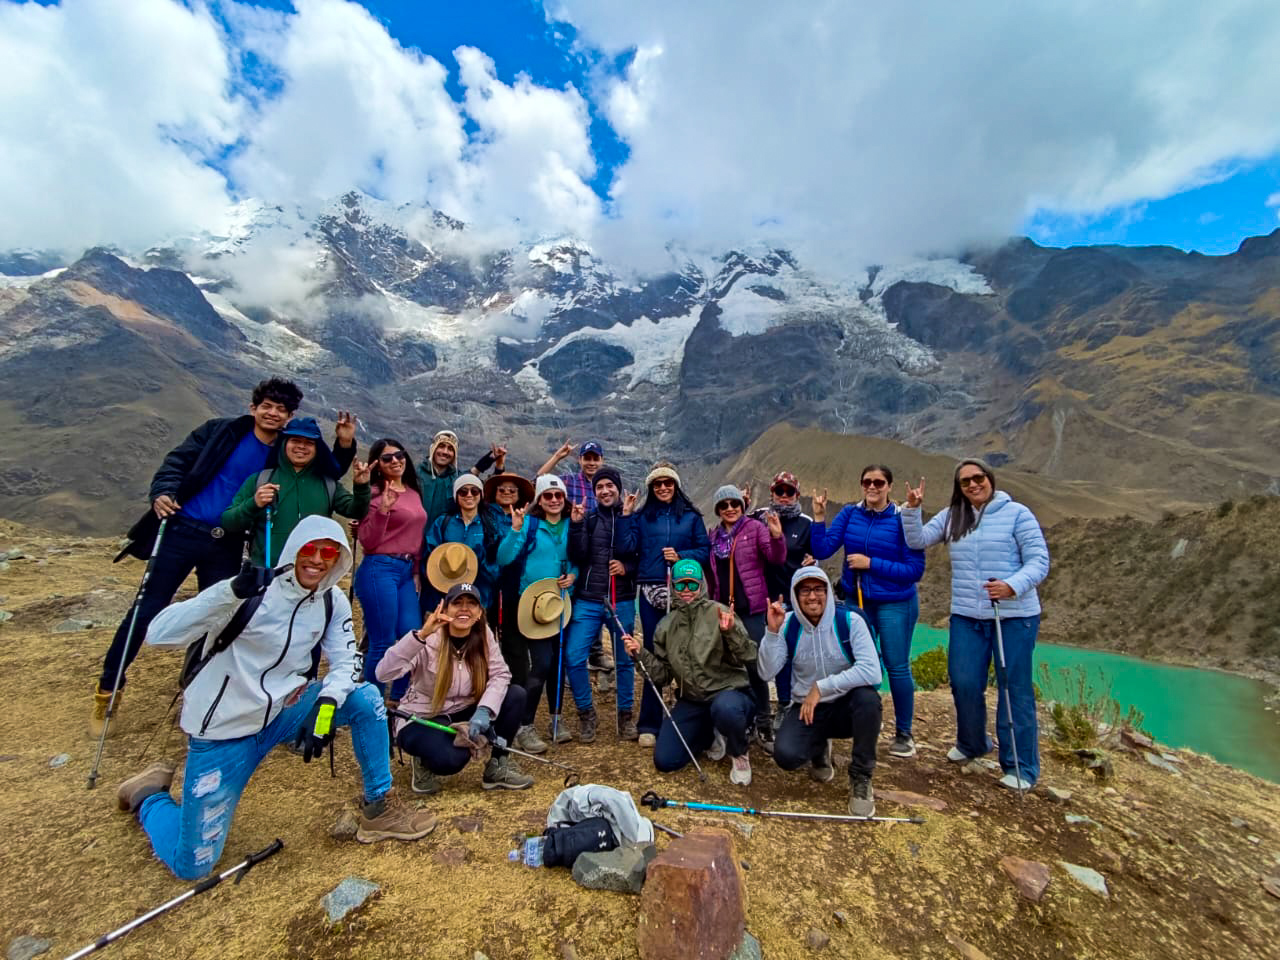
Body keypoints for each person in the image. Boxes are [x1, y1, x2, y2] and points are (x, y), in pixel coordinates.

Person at [114, 516, 435, 881]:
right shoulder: (248, 590)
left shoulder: (331, 602)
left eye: (329, 553)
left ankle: (379, 805)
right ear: (294, 550)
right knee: (193, 864)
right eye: (309, 549)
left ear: (339, 559)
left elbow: (347, 661)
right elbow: (159, 633)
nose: (317, 559)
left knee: (365, 698)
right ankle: (149, 797)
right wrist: (229, 592)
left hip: (284, 711)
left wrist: (327, 705)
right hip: (223, 732)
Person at [91, 378, 340, 735]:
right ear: (254, 407)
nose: (273, 413)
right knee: (146, 610)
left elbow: (325, 470)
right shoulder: (221, 432)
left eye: (281, 409)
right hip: (182, 530)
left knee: (216, 615)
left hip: (227, 542)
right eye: (267, 406)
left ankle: (194, 687)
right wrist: (163, 491)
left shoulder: (282, 451)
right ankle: (108, 691)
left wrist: (345, 443)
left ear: (289, 416)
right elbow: (178, 461)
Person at [901, 460, 1050, 791]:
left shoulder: (1018, 514)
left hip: (1014, 615)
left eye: (977, 477)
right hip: (968, 614)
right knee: (964, 681)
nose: (972, 484)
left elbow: (1039, 561)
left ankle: (1021, 766)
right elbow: (917, 540)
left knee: (1014, 688)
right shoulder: (953, 516)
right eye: (965, 481)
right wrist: (912, 509)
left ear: (990, 479)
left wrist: (1012, 585)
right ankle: (972, 743)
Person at [810, 465, 925, 758]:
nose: (872, 487)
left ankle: (904, 733)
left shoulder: (902, 519)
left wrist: (870, 563)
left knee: (896, 665)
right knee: (855, 663)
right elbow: (822, 550)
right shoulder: (849, 514)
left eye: (879, 482)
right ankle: (864, 718)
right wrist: (819, 518)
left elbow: (915, 570)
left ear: (889, 486)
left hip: (895, 602)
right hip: (857, 600)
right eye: (867, 482)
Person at [376, 583, 533, 795]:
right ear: (445, 609)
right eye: (457, 603)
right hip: (425, 716)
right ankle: (422, 762)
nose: (464, 609)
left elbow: (501, 674)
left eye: (471, 604)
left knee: (516, 695)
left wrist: (485, 709)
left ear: (479, 613)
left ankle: (497, 766)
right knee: (452, 759)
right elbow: (383, 673)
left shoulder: (484, 635)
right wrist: (421, 636)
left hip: (466, 709)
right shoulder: (428, 637)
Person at [758, 567, 883, 816]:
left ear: (827, 592)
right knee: (786, 756)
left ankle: (861, 776)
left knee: (868, 701)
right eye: (805, 590)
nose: (812, 596)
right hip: (808, 708)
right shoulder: (788, 624)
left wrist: (821, 687)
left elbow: (872, 672)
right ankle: (818, 748)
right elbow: (765, 672)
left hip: (846, 705)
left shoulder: (850, 621)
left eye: (818, 589)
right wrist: (771, 633)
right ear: (795, 595)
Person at [621, 559, 757, 785]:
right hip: (693, 700)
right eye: (680, 584)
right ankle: (708, 734)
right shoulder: (666, 625)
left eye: (692, 584)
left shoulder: (720, 612)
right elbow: (663, 676)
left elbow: (750, 656)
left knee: (726, 709)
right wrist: (640, 655)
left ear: (701, 585)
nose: (686, 590)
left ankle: (739, 752)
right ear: (672, 586)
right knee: (665, 760)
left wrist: (731, 633)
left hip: (729, 694)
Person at [615, 462, 710, 747]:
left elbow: (704, 551)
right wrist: (626, 515)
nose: (663, 488)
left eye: (668, 483)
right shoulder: (643, 517)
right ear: (651, 488)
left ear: (675, 486)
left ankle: (688, 717)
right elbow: (626, 547)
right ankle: (649, 723)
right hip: (650, 590)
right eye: (657, 484)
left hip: (683, 592)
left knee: (687, 652)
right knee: (654, 652)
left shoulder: (692, 517)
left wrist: (681, 556)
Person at [220, 416, 372, 566]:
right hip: (266, 572)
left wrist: (361, 487)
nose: (301, 446)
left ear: (317, 449)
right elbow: (229, 522)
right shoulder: (260, 480)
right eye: (295, 441)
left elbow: (356, 511)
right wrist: (254, 503)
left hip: (312, 570)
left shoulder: (328, 484)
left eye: (309, 443)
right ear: (284, 444)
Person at [496, 474, 578, 752]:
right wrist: (515, 530)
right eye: (547, 496)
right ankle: (524, 725)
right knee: (542, 663)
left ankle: (556, 718)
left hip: (561, 602)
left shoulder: (572, 524)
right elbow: (504, 558)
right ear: (539, 501)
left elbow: (579, 559)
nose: (554, 500)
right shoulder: (529, 525)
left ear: (564, 498)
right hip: (532, 604)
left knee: (558, 663)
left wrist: (574, 575)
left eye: (558, 495)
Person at [706, 484, 786, 751]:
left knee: (755, 667)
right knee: (728, 665)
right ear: (718, 509)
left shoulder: (755, 529)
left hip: (751, 609)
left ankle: (763, 723)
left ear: (742, 506)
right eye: (724, 505)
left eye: (734, 504)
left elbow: (776, 558)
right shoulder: (714, 536)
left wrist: (777, 536)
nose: (730, 508)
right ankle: (743, 719)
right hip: (725, 610)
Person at [564, 466, 639, 743]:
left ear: (618, 488)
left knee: (625, 659)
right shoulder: (588, 518)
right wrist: (575, 525)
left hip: (622, 599)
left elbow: (639, 554)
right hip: (589, 599)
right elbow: (578, 555)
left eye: (609, 486)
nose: (605, 491)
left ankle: (625, 714)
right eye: (599, 487)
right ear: (594, 491)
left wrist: (627, 568)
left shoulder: (633, 518)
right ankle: (586, 713)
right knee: (574, 657)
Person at [355, 438, 427, 703]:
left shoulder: (413, 491)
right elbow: (368, 541)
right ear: (378, 464)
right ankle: (371, 703)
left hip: (406, 571)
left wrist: (416, 570)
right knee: (382, 640)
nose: (395, 461)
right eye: (387, 458)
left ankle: (398, 702)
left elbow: (416, 535)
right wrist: (383, 510)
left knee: (411, 639)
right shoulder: (374, 494)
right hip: (379, 567)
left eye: (399, 455)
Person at [484, 472, 536, 686]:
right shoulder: (484, 514)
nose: (507, 493)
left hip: (515, 586)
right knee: (485, 638)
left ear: (519, 494)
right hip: (486, 584)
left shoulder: (529, 520)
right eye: (502, 489)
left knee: (514, 641)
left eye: (512, 490)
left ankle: (517, 689)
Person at [422, 474, 502, 611]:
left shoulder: (491, 526)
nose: (469, 495)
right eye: (463, 491)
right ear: (456, 496)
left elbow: (496, 562)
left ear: (481, 495)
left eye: (474, 491)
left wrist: (480, 566)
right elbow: (429, 556)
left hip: (479, 592)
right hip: (443, 593)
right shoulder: (443, 522)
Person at [416, 430, 505, 535]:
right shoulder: (415, 475)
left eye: (450, 449)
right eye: (441, 446)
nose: (445, 452)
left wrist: (495, 461)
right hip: (413, 536)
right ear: (433, 448)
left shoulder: (457, 480)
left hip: (444, 538)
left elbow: (479, 476)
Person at [537, 439, 606, 513]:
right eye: (587, 459)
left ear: (602, 461)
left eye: (596, 459)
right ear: (580, 460)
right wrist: (557, 457)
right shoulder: (568, 481)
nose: (592, 463)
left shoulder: (607, 487)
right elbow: (538, 481)